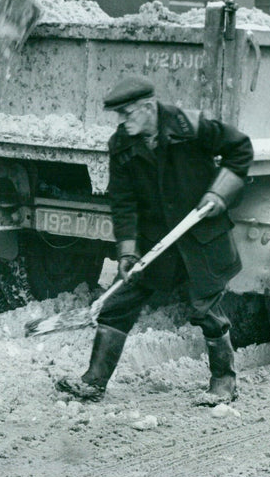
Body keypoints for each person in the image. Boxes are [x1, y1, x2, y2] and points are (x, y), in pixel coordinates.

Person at [56, 75, 254, 406]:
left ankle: (224, 381)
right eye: (118, 115)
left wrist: (221, 192)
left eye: (127, 113)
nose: (122, 121)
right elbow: (123, 203)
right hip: (156, 240)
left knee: (205, 307)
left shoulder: (190, 126)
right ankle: (93, 380)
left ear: (148, 108)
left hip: (199, 234)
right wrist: (128, 252)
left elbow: (240, 148)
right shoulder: (121, 144)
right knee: (119, 302)